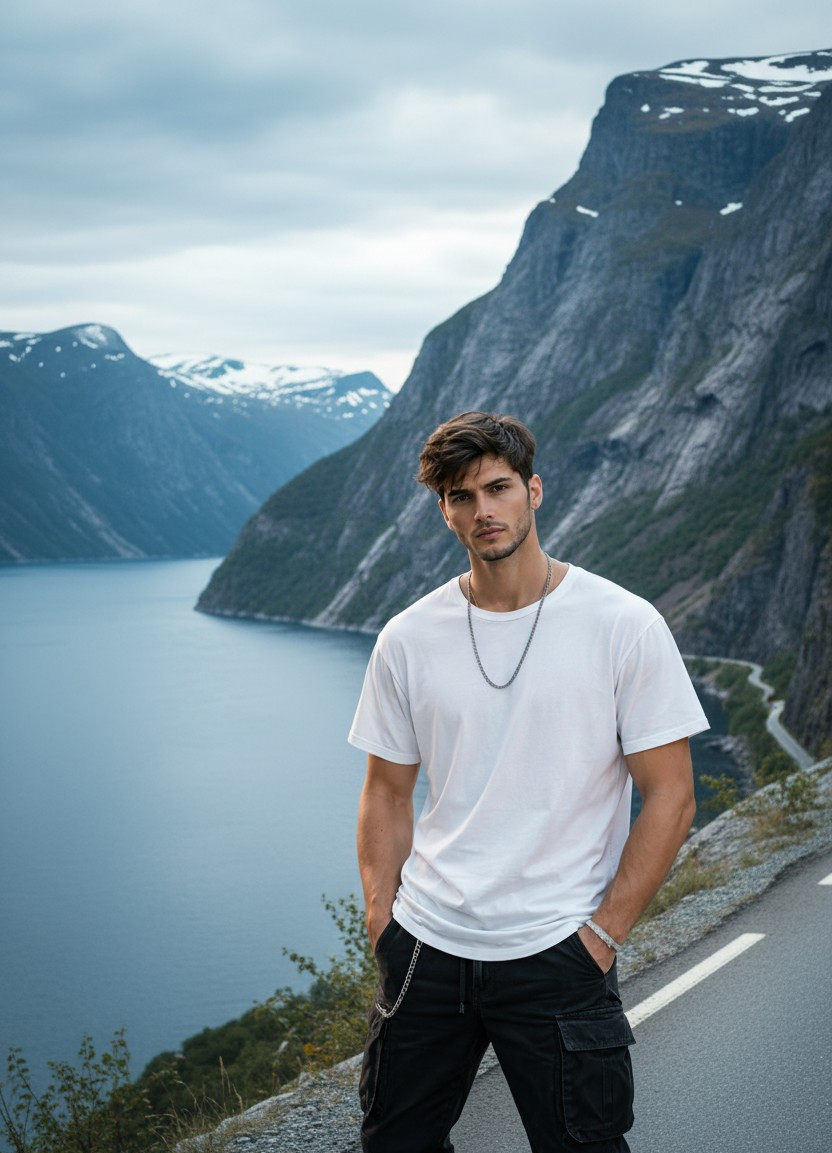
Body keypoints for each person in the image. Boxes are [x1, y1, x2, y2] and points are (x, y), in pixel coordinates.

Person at [348, 411, 708, 1153]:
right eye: (459, 495)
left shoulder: (623, 625)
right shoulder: (408, 637)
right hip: (428, 948)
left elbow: (671, 795)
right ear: (443, 510)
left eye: (497, 487)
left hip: (557, 951)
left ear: (533, 491)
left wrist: (602, 936)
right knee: (394, 1143)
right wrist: (384, 922)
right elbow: (386, 791)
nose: (482, 509)